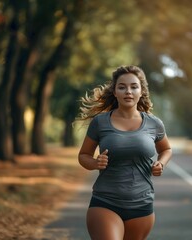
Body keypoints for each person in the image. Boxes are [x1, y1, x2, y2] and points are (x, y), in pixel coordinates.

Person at [77, 65, 172, 240]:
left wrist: (161, 163)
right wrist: (95, 163)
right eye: (122, 87)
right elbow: (83, 156)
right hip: (106, 202)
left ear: (141, 91)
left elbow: (166, 149)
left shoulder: (154, 123)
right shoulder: (100, 122)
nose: (128, 91)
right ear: (115, 91)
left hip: (142, 206)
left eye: (134, 86)